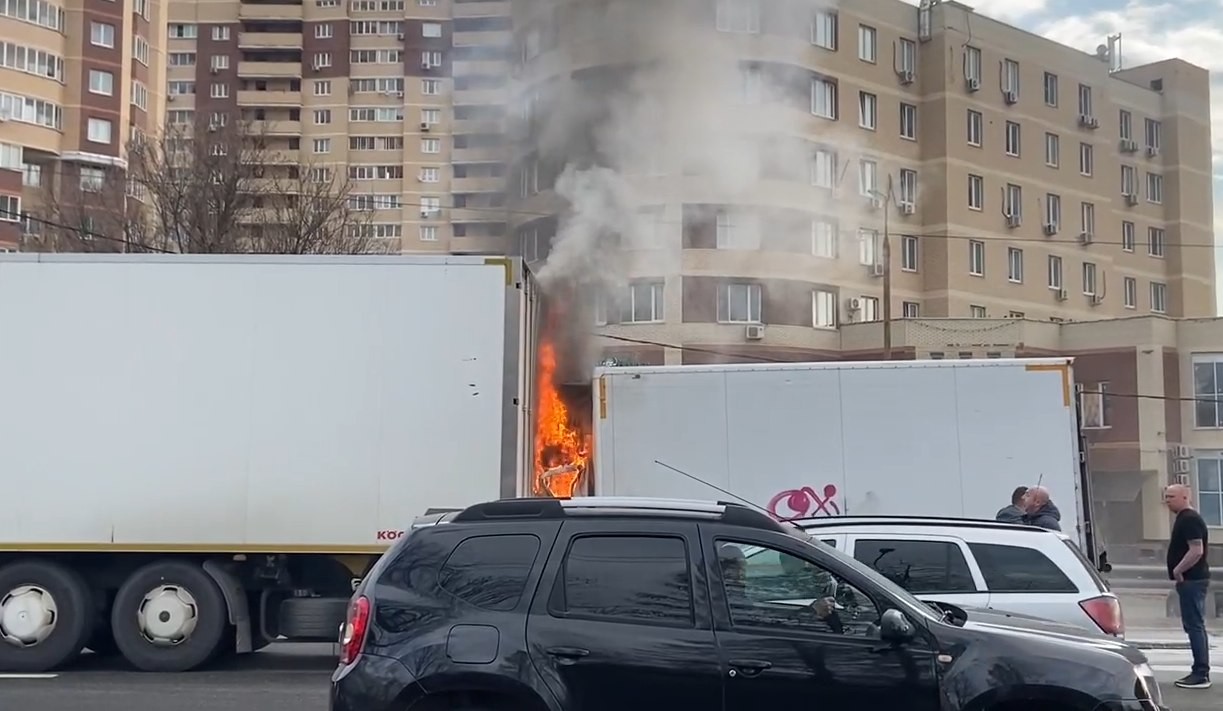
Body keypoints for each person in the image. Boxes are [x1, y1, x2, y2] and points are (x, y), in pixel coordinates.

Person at [1164, 483, 1211, 689]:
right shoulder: (1185, 518)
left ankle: (1200, 673)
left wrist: (1178, 570)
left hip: (1192, 580)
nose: (1167, 500)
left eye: (1172, 496)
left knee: (1194, 625)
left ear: (1185, 497)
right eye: (1165, 497)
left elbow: (1196, 550)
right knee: (1193, 625)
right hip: (1191, 579)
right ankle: (1200, 671)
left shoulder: (1189, 519)